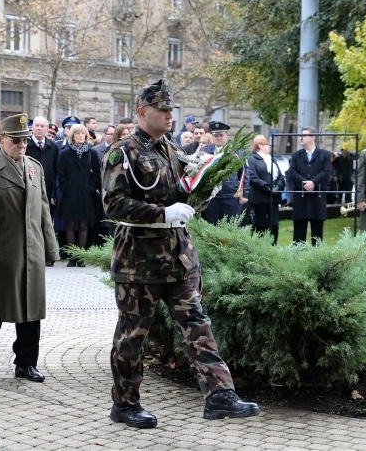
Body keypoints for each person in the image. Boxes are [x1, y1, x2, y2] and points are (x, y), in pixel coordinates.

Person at [102, 79, 259, 428]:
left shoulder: (171, 151)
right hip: (138, 262)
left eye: (172, 109)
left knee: (197, 324)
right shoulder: (123, 152)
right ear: (142, 113)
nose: (170, 114)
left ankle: (219, 395)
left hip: (178, 258)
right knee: (133, 335)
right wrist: (163, 214)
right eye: (163, 109)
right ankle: (125, 405)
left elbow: (184, 198)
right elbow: (114, 204)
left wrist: (204, 191)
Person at [0, 114, 60, 381]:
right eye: (16, 140)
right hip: (0, 252)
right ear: (0, 140)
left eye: (25, 139)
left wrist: (50, 248)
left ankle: (26, 362)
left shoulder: (34, 167)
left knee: (31, 309)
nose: (22, 145)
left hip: (31, 250)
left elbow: (43, 210)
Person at [57, 124, 101, 267]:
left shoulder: (92, 153)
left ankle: (81, 256)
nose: (81, 135)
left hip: (86, 194)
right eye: (78, 133)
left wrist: (91, 187)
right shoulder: (65, 153)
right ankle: (72, 256)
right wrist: (66, 189)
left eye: (83, 133)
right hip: (71, 194)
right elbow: (61, 174)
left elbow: (96, 173)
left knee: (84, 224)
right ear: (72, 136)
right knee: (70, 224)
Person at [285, 127, 330, 245]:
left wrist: (313, 183)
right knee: (299, 234)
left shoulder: (324, 154)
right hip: (301, 197)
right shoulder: (296, 155)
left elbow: (326, 172)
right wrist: (305, 184)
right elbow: (292, 172)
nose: (301, 137)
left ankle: (317, 259)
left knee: (317, 233)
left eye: (304, 135)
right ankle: (297, 260)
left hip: (317, 197)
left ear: (313, 137)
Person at [201, 122, 250, 225]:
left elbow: (245, 173)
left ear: (227, 136)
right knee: (212, 228)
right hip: (211, 198)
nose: (218, 138)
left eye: (221, 135)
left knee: (232, 229)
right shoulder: (205, 151)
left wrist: (244, 193)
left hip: (231, 196)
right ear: (212, 136)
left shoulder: (237, 151)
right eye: (215, 135)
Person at [247, 135, 282, 244]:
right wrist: (268, 188)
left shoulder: (272, 159)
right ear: (260, 146)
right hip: (260, 197)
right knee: (262, 226)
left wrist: (278, 187)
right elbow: (253, 177)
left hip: (274, 198)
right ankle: (263, 249)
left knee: (274, 225)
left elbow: (281, 176)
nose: (269, 147)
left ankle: (273, 247)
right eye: (267, 144)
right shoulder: (252, 159)